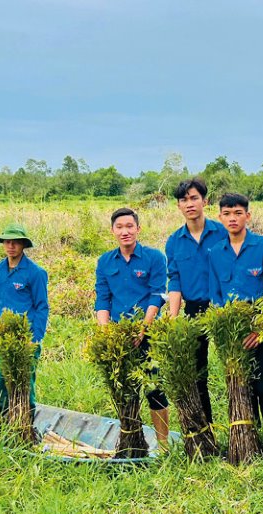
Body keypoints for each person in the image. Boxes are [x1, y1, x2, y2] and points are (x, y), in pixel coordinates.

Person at [208, 193, 263, 451]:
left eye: (238, 213)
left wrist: (261, 329)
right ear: (220, 218)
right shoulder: (215, 252)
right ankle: (250, 438)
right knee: (241, 386)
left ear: (247, 216)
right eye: (227, 214)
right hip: (230, 330)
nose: (232, 218)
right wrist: (225, 330)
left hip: (258, 327)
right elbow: (215, 294)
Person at [94, 207, 170, 446]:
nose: (125, 231)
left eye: (129, 226)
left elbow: (157, 295)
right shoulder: (105, 261)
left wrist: (143, 329)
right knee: (125, 391)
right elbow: (102, 299)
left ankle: (163, 446)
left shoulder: (154, 258)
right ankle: (133, 441)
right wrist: (106, 332)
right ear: (112, 231)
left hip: (147, 334)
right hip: (118, 336)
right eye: (120, 227)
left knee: (154, 389)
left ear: (138, 229)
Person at [165, 178, 227, 425]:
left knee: (233, 366)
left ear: (205, 201)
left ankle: (241, 427)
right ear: (179, 206)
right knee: (197, 370)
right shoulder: (174, 241)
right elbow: (175, 280)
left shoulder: (222, 232)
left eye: (194, 198)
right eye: (184, 200)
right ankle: (205, 426)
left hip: (223, 307)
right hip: (193, 309)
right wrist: (172, 316)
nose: (189, 204)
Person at [0, 224, 49, 417]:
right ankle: (6, 420)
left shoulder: (35, 273)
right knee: (0, 382)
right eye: (7, 242)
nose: (11, 246)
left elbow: (42, 307)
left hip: (26, 337)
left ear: (23, 245)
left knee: (25, 384)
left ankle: (26, 424)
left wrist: (34, 339)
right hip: (3, 338)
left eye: (15, 242)